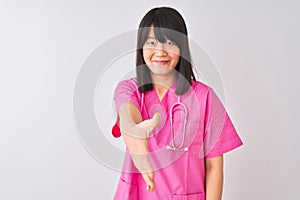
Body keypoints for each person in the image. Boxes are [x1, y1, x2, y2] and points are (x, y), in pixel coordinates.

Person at [112, 7, 243, 200]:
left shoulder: (204, 97)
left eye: (169, 42)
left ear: (182, 47)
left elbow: (214, 167)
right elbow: (128, 115)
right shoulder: (129, 90)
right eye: (151, 42)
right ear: (141, 48)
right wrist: (135, 134)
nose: (160, 52)